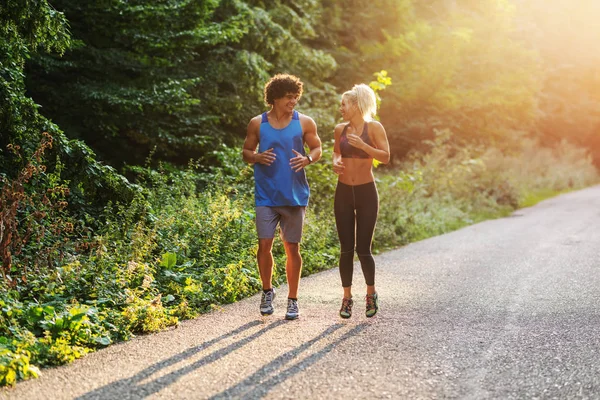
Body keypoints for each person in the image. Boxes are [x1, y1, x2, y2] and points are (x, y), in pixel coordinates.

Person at [242, 74, 322, 320]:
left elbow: (318, 148)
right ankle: (267, 291)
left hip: (294, 195)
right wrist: (256, 157)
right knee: (264, 245)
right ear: (275, 98)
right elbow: (246, 151)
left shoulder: (305, 122)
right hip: (266, 195)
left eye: (296, 97)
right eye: (289, 97)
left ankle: (293, 300)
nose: (293, 101)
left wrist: (308, 159)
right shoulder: (257, 123)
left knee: (291, 248)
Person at [332, 84, 390, 319]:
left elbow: (385, 157)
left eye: (343, 104)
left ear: (356, 105)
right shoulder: (339, 129)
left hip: (366, 192)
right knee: (346, 250)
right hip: (343, 192)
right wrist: (335, 162)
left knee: (363, 249)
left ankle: (370, 293)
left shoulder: (374, 128)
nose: (340, 108)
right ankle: (346, 298)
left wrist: (364, 145)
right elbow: (336, 152)